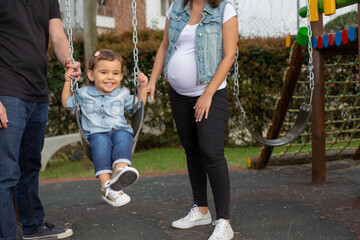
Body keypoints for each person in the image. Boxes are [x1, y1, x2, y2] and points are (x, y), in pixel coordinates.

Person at [148, 0, 238, 239]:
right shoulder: (176, 8)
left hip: (211, 94)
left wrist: (208, 93)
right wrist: (153, 80)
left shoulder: (224, 9)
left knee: (211, 152)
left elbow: (229, 56)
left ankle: (224, 221)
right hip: (179, 95)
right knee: (192, 151)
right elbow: (164, 46)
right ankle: (201, 209)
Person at [0, 1, 81, 239]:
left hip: (37, 92)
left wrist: (68, 59)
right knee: (5, 173)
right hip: (7, 92)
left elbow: (57, 37)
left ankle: (33, 225)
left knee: (30, 166)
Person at [62, 49, 148, 208]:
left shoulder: (122, 93)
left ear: (121, 77)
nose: (110, 77)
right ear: (91, 75)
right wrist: (68, 82)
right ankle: (106, 186)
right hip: (96, 133)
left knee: (125, 136)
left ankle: (121, 171)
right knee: (100, 145)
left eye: (116, 73)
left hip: (119, 130)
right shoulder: (83, 93)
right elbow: (67, 103)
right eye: (103, 72)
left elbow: (137, 106)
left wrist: (143, 87)